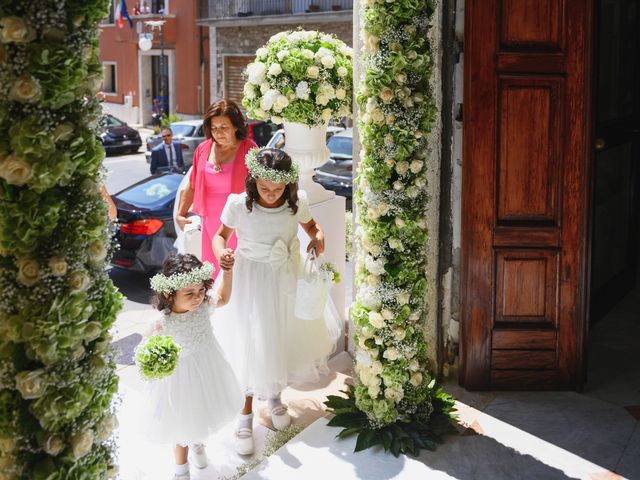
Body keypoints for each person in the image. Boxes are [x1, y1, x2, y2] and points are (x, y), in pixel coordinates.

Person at [213, 148, 340, 455]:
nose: (270, 195)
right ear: (252, 180)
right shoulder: (238, 205)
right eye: (264, 188)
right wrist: (223, 256)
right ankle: (244, 414)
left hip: (286, 278)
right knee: (251, 343)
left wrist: (318, 238)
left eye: (278, 189)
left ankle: (274, 397)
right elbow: (220, 236)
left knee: (281, 338)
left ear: (289, 186)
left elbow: (312, 227)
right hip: (250, 280)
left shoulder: (296, 205)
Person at [139, 253, 242, 480]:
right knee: (181, 422)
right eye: (189, 293)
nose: (198, 298)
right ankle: (181, 470)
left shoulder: (204, 305)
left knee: (201, 411)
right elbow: (147, 352)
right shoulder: (162, 322)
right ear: (169, 293)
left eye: (201, 290)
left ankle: (197, 442)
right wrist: (153, 366)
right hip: (178, 379)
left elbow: (223, 298)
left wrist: (227, 272)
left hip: (207, 367)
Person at [175, 99, 256, 273]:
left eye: (224, 127)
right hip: (210, 222)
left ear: (236, 127)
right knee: (211, 271)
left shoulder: (249, 150)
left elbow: (261, 188)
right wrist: (180, 214)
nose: (218, 133)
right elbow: (192, 184)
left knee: (236, 270)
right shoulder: (203, 149)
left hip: (239, 222)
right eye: (214, 128)